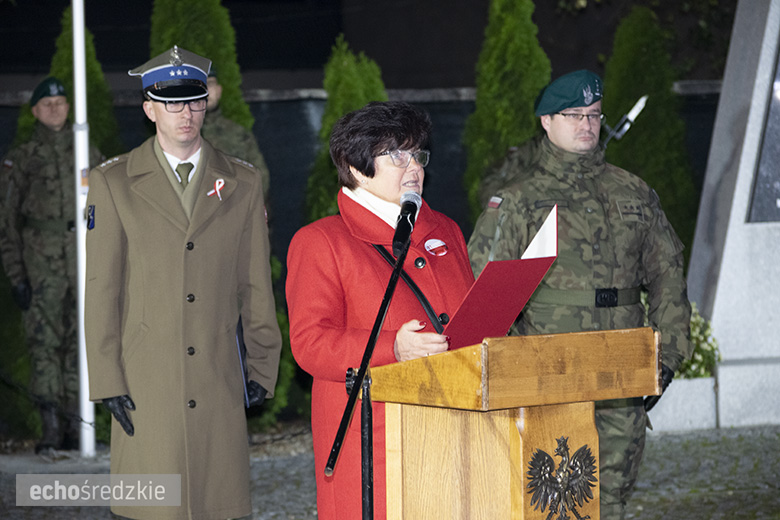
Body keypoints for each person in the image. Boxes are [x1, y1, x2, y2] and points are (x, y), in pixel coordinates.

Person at [468, 70, 692, 520]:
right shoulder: (519, 201)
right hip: (551, 373)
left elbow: (667, 274)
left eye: (593, 115)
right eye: (573, 115)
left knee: (611, 496)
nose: (586, 124)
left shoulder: (634, 193)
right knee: (556, 500)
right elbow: (485, 295)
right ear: (546, 122)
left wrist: (667, 357)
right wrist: (516, 371)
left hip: (623, 370)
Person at [84, 46, 282, 520]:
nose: (186, 113)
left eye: (193, 101)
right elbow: (102, 289)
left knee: (218, 504)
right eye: (172, 103)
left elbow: (255, 284)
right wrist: (107, 378)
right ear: (150, 108)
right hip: (147, 379)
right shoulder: (113, 183)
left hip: (217, 374)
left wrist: (262, 365)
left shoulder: (242, 182)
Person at [286, 101, 475, 520]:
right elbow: (310, 344)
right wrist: (394, 348)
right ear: (355, 168)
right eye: (396, 155)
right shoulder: (321, 242)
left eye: (418, 154)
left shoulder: (445, 229)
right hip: (373, 438)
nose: (414, 167)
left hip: (454, 425)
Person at [0, 76, 102, 453]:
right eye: (47, 104)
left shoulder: (86, 151)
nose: (55, 109)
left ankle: (79, 426)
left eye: (61, 103)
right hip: (41, 264)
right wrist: (17, 275)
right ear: (35, 112)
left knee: (82, 344)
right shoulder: (23, 158)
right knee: (44, 345)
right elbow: (6, 220)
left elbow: (106, 206)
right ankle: (51, 429)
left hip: (82, 258)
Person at [201, 66, 270, 201]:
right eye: (200, 86)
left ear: (219, 90)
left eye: (210, 84)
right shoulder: (181, 134)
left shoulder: (238, 133)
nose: (205, 91)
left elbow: (260, 177)